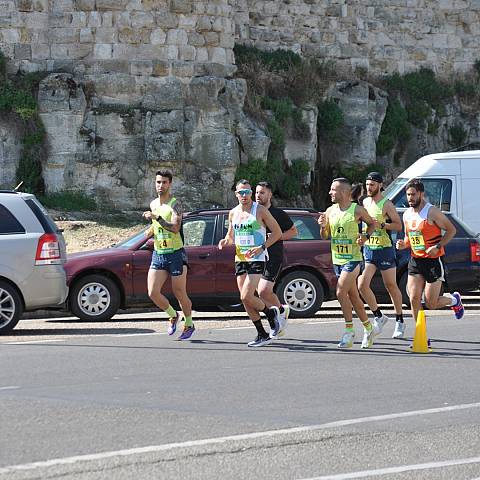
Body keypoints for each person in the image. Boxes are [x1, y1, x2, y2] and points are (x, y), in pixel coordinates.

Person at [396, 179, 464, 339]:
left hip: (433, 261)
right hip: (415, 261)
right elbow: (409, 238)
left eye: (413, 195)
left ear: (421, 193)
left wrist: (438, 246)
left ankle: (454, 300)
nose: (410, 198)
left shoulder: (432, 212)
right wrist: (403, 244)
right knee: (413, 298)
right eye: (408, 195)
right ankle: (421, 336)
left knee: (431, 303)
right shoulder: (406, 214)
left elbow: (451, 230)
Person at [218, 179, 282, 347]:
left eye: (247, 192)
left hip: (257, 258)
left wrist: (262, 247)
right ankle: (262, 334)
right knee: (246, 300)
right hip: (240, 259)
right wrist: (225, 241)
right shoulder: (233, 213)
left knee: (246, 296)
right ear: (236, 194)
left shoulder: (259, 210)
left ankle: (270, 314)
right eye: (241, 192)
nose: (244, 195)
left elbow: (277, 233)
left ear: (251, 193)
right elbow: (231, 236)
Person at [318, 177, 377, 349]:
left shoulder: (357, 210)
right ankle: (368, 327)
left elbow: (372, 224)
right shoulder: (330, 211)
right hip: (337, 259)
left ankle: (349, 331)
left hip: (353, 259)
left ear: (344, 192)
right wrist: (322, 226)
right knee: (353, 296)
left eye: (333, 190)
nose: (330, 192)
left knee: (340, 292)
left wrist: (365, 236)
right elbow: (325, 236)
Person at [143, 170, 195, 340]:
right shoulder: (153, 204)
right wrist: (148, 232)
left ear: (170, 184)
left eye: (164, 182)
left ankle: (189, 324)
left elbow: (174, 228)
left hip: (175, 254)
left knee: (179, 292)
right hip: (159, 253)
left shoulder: (175, 204)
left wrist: (156, 218)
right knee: (153, 292)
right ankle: (173, 315)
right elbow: (156, 226)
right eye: (158, 182)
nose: (161, 186)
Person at [357, 172, 405, 338]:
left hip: (384, 248)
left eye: (372, 185)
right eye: (367, 184)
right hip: (369, 248)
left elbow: (398, 226)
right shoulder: (364, 201)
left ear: (380, 185)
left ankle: (399, 320)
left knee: (390, 285)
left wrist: (383, 224)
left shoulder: (387, 204)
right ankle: (379, 315)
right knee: (362, 284)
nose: (369, 188)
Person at [255, 181, 298, 336]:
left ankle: (277, 316)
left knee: (263, 290)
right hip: (256, 257)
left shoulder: (278, 213)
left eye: (262, 193)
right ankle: (280, 311)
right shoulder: (253, 212)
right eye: (257, 192)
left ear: (270, 195)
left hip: (273, 256)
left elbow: (293, 232)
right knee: (261, 293)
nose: (258, 196)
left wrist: (275, 237)